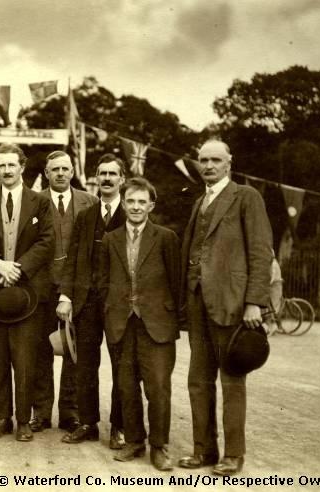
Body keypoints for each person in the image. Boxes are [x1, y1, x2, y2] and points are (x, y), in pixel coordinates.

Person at [178, 140, 272, 476]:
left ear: (229, 163)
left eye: (216, 160)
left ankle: (233, 455)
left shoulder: (246, 197)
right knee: (198, 381)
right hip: (197, 303)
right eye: (203, 160)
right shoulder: (200, 201)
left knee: (232, 380)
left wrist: (253, 302)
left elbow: (261, 253)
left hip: (233, 304)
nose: (209, 166)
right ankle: (203, 451)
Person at [0, 143, 54, 442]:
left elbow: (46, 241)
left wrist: (18, 267)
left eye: (11, 165)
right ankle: (2, 417)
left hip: (28, 292)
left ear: (22, 166)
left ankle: (23, 420)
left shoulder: (39, 202)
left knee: (25, 358)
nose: (6, 170)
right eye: (1, 165)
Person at [99, 177, 180, 471]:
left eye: (141, 202)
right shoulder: (110, 239)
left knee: (158, 386)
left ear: (151, 205)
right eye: (130, 201)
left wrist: (173, 319)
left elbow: (176, 281)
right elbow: (102, 280)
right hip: (121, 323)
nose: (135, 207)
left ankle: (159, 446)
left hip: (156, 324)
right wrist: (109, 313)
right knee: (126, 385)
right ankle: (134, 441)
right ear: (123, 203)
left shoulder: (167, 237)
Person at [57, 154, 126, 448]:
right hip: (86, 302)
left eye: (112, 174)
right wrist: (66, 296)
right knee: (85, 365)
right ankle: (87, 422)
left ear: (122, 179)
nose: (107, 179)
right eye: (102, 174)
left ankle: (120, 428)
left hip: (119, 305)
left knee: (122, 366)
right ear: (95, 178)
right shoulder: (86, 216)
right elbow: (72, 260)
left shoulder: (132, 213)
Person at [29, 151, 96, 433]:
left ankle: (71, 412)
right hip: (41, 288)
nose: (60, 173)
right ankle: (41, 412)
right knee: (40, 349)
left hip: (78, 289)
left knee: (73, 350)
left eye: (65, 169)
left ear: (72, 171)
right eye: (54, 169)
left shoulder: (89, 202)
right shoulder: (33, 201)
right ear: (46, 172)